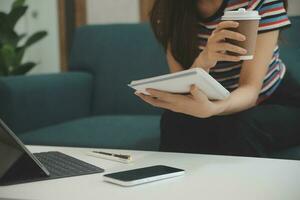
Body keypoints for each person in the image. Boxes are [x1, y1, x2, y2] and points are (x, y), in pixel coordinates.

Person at [135, 0, 300, 157]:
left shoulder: (259, 3)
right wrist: (204, 60)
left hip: (274, 99)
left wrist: (214, 109)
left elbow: (251, 89)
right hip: (216, 101)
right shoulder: (169, 9)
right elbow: (184, 88)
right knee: (174, 120)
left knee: (240, 126)